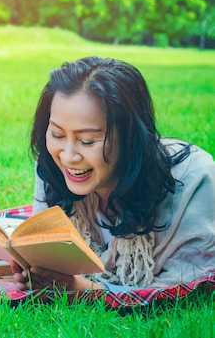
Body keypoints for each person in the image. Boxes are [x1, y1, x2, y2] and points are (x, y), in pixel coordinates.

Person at [11, 56, 215, 293]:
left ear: (130, 136)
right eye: (57, 134)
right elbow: (44, 254)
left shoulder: (194, 180)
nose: (68, 156)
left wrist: (88, 290)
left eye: (87, 141)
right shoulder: (53, 166)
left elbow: (194, 285)